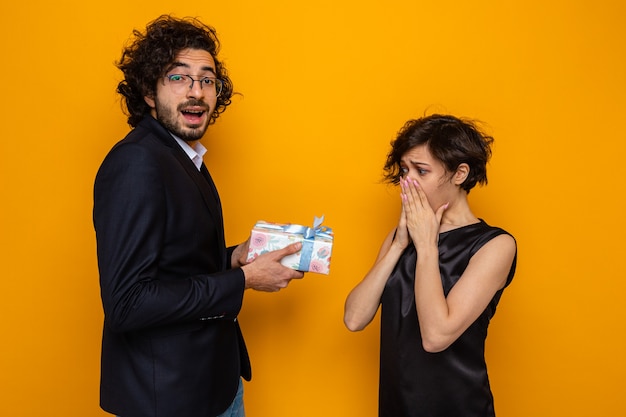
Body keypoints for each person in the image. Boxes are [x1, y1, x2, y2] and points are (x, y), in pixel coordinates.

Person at [93, 15, 304, 417]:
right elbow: (127, 303)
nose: (197, 92)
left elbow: (173, 265)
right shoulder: (136, 163)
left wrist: (235, 257)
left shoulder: (183, 156)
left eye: (207, 80)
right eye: (179, 78)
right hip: (170, 398)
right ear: (148, 92)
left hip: (214, 384)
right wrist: (244, 280)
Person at [344, 114, 517, 417]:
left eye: (421, 170)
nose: (406, 181)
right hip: (398, 405)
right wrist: (399, 244)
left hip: (458, 406)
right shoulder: (402, 237)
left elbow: (436, 337)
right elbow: (354, 319)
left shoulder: (495, 245)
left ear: (460, 173)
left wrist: (426, 245)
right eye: (404, 170)